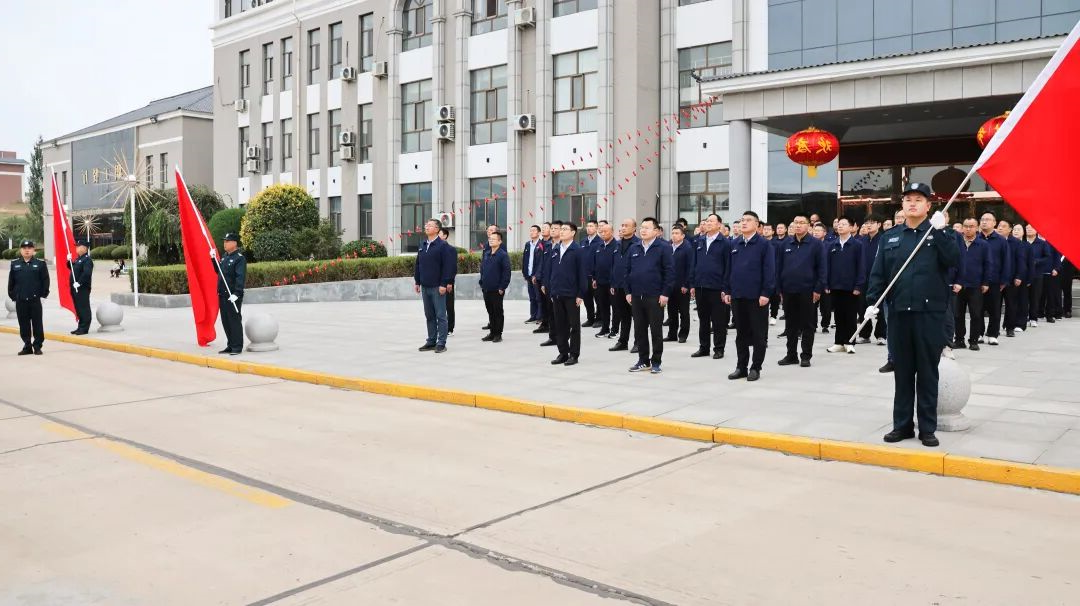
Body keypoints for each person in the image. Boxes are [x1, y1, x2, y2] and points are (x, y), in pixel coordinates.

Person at [866, 183, 959, 447]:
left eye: (919, 199)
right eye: (908, 199)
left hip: (930, 315)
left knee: (928, 373)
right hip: (899, 313)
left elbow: (953, 260)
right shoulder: (890, 236)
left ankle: (927, 428)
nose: (912, 203)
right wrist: (872, 301)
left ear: (929, 206)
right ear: (902, 205)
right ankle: (902, 425)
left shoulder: (941, 233)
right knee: (903, 372)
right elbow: (879, 272)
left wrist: (939, 231)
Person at [725, 211, 775, 382]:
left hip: (757, 297)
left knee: (759, 334)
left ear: (757, 224)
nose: (744, 223)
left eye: (748, 220)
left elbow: (769, 271)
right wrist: (727, 290)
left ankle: (756, 367)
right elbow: (729, 269)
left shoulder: (764, 245)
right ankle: (741, 367)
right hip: (738, 295)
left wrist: (766, 293)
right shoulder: (734, 243)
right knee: (741, 334)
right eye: (742, 220)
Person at [776, 214, 826, 367]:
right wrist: (779, 288)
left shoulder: (816, 244)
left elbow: (822, 269)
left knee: (807, 325)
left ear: (808, 226)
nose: (798, 225)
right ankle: (791, 355)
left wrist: (818, 289)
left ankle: (806, 356)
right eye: (795, 222)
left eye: (801, 222)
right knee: (790, 325)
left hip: (808, 291)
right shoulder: (785, 244)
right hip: (788, 290)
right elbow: (778, 267)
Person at [626, 217, 675, 374]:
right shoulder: (634, 248)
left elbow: (670, 272)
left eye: (647, 227)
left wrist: (665, 293)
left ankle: (656, 361)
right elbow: (627, 271)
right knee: (639, 330)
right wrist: (628, 292)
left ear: (656, 231)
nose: (643, 230)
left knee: (655, 330)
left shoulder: (664, 247)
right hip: (636, 295)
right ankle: (643, 360)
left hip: (655, 296)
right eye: (642, 227)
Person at [690, 213, 731, 360]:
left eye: (711, 221)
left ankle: (719, 349)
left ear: (719, 224)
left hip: (717, 288)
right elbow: (694, 263)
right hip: (700, 286)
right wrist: (692, 284)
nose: (708, 223)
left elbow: (728, 267)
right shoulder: (699, 241)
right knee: (703, 319)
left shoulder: (725, 243)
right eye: (707, 221)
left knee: (718, 321)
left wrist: (725, 288)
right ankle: (704, 347)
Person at [548, 222, 589, 366]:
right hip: (557, 293)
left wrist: (580, 294)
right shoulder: (555, 249)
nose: (562, 231)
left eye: (565, 229)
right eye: (561, 229)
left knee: (574, 326)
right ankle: (563, 353)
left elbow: (582, 274)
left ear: (573, 233)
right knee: (560, 325)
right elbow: (551, 271)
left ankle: (574, 354)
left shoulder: (578, 250)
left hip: (572, 294)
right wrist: (552, 290)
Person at [824, 216, 865, 354]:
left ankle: (850, 342)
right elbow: (827, 266)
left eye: (843, 224)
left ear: (851, 227)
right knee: (838, 315)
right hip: (835, 286)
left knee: (850, 316)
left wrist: (858, 285)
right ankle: (839, 342)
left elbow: (861, 266)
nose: (840, 226)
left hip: (851, 287)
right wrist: (826, 284)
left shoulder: (857, 245)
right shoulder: (832, 245)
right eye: (839, 224)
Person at [414, 219, 456, 353]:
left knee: (440, 315)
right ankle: (431, 341)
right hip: (425, 286)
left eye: (430, 225)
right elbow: (418, 264)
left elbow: (448, 267)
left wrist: (444, 284)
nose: (427, 227)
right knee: (429, 315)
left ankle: (441, 343)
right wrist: (417, 281)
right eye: (426, 225)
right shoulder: (423, 244)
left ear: (437, 229)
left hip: (438, 287)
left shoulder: (443, 246)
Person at [951, 218, 992, 351]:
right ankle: (959, 339)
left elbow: (988, 264)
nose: (968, 229)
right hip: (958, 284)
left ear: (977, 228)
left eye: (971, 226)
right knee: (958, 314)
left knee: (976, 314)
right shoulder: (956, 243)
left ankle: (974, 340)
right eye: (966, 226)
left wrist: (985, 282)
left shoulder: (983, 245)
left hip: (976, 284)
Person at [8, 240, 49, 355]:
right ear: (20, 250)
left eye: (29, 248)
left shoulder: (40, 264)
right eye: (24, 248)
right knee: (23, 325)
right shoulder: (15, 264)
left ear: (33, 250)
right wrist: (13, 296)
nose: (27, 250)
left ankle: (37, 346)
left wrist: (43, 296)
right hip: (21, 300)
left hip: (35, 300)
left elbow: (45, 281)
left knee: (37, 324)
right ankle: (27, 346)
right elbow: (11, 282)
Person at [978, 212, 1010, 345]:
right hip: (977, 280)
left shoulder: (1001, 240)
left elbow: (1006, 261)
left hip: (995, 280)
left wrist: (1004, 280)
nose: (984, 222)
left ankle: (992, 334)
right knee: (977, 309)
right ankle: (978, 333)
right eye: (982, 219)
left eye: (988, 219)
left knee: (995, 309)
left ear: (994, 223)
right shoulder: (976, 238)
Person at [608, 218, 639, 352]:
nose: (624, 227)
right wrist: (613, 283)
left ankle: (639, 342)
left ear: (634, 229)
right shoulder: (617, 244)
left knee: (637, 316)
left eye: (627, 225)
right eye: (622, 225)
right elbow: (613, 265)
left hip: (632, 286)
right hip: (618, 285)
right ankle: (623, 341)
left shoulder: (638, 244)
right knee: (623, 315)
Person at [215, 233, 247, 355]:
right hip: (223, 294)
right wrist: (213, 259)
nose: (225, 244)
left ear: (234, 243)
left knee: (234, 321)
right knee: (226, 321)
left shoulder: (239, 259)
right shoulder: (225, 257)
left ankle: (237, 347)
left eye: (227, 241)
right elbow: (218, 271)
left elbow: (240, 277)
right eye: (224, 241)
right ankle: (230, 345)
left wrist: (237, 293)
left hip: (232, 295)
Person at [857, 216, 886, 345]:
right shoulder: (861, 240)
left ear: (879, 224)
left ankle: (881, 335)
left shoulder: (883, 239)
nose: (868, 225)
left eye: (872, 222)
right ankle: (864, 335)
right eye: (867, 222)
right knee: (862, 307)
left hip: (879, 278)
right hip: (863, 278)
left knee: (880, 308)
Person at [480, 230, 511, 343]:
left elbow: (506, 273)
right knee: (490, 311)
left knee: (497, 312)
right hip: (486, 288)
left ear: (500, 241)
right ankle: (492, 332)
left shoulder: (502, 255)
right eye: (490, 239)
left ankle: (498, 334)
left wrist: (502, 287)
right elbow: (482, 269)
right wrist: (481, 282)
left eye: (494, 239)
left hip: (497, 289)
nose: (491, 240)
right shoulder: (487, 253)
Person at [665, 224, 694, 343]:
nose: (674, 235)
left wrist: (686, 284)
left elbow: (690, 268)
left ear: (683, 236)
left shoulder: (687, 248)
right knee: (671, 312)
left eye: (677, 233)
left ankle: (683, 334)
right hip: (670, 285)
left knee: (683, 312)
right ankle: (672, 334)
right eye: (673, 233)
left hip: (682, 286)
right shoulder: (668, 247)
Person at [1005, 223, 1033, 336]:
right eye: (1015, 229)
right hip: (1010, 276)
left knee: (1022, 301)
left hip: (1023, 277)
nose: (1016, 231)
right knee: (1011, 302)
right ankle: (1007, 324)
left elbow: (1030, 264)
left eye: (1019, 229)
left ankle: (1021, 323)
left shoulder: (1027, 245)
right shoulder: (1007, 242)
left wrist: (1029, 278)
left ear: (1023, 232)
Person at [537, 221, 562, 342]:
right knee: (550, 311)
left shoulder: (563, 246)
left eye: (555, 228)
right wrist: (543, 283)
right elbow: (544, 266)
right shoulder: (547, 246)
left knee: (560, 313)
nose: (552, 230)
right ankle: (552, 337)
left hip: (560, 284)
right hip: (548, 284)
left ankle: (561, 337)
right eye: (551, 228)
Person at [592, 222, 617, 337]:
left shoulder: (617, 246)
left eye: (605, 231)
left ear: (612, 232)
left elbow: (617, 265)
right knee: (603, 306)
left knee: (615, 307)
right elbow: (595, 263)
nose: (603, 233)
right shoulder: (599, 246)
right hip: (600, 282)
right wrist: (594, 278)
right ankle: (605, 328)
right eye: (601, 232)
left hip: (612, 283)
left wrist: (614, 282)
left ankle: (615, 329)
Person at [1026, 224, 1053, 326]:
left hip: (1037, 274)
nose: (1029, 230)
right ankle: (1023, 317)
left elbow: (1047, 257)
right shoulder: (1022, 243)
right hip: (1023, 274)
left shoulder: (1042, 243)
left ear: (1036, 230)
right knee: (1023, 297)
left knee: (1035, 297)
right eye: (1027, 228)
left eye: (1031, 228)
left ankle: (1033, 318)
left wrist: (1037, 261)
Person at [69, 239, 94, 335]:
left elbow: (87, 273)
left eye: (78, 246)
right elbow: (73, 269)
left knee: (84, 308)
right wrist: (69, 261)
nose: (76, 248)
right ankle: (80, 327)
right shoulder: (78, 259)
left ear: (84, 248)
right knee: (78, 308)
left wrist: (79, 283)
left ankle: (84, 328)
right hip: (75, 288)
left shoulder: (87, 260)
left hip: (82, 288)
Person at [811, 223, 832, 333]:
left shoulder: (830, 245)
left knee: (826, 306)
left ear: (825, 233)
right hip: (812, 279)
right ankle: (813, 325)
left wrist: (827, 283)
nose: (816, 232)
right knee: (812, 305)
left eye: (819, 230)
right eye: (815, 230)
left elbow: (830, 265)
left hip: (825, 279)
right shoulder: (809, 244)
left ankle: (825, 325)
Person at [523, 225, 544, 323]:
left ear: (539, 233)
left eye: (534, 230)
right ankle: (533, 315)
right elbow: (525, 259)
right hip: (529, 275)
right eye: (530, 230)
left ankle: (540, 316)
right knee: (532, 297)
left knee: (538, 297)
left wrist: (536, 275)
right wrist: (525, 273)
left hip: (536, 276)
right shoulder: (528, 244)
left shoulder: (541, 244)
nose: (531, 232)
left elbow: (541, 262)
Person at [438, 228, 457, 335]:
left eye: (439, 233)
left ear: (445, 236)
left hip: (447, 281)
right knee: (438, 306)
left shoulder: (450, 249)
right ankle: (440, 327)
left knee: (449, 306)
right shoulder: (435, 248)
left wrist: (450, 282)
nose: (437, 235)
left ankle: (450, 328)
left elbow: (452, 267)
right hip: (436, 281)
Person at [582, 219, 600, 327]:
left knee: (598, 299)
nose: (589, 228)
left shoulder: (600, 242)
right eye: (588, 226)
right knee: (587, 299)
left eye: (591, 226)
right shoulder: (583, 241)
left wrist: (596, 277)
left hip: (595, 277)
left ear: (596, 228)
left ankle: (599, 319)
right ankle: (590, 318)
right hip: (585, 276)